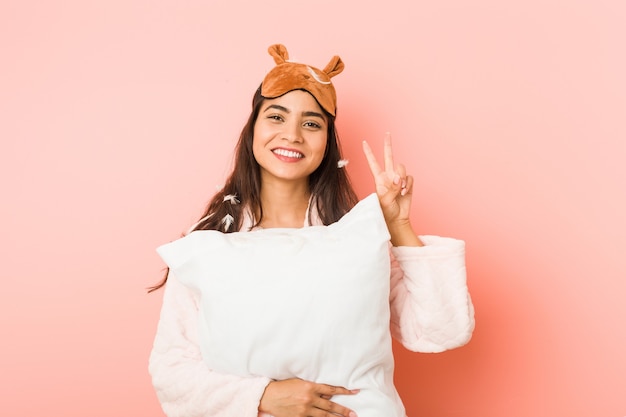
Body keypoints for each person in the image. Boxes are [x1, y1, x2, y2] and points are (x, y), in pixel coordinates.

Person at [148, 44, 474, 417]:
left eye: (311, 123)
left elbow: (441, 330)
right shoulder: (208, 242)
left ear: (326, 142)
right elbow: (171, 370)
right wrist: (262, 396)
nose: (292, 135)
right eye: (276, 117)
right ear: (253, 127)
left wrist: (398, 226)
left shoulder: (358, 240)